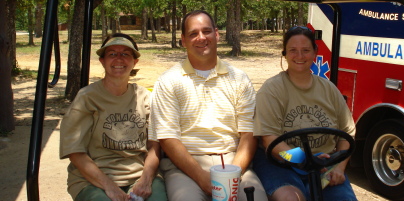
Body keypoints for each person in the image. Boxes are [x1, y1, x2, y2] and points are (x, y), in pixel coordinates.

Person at [149, 10, 267, 201]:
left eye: (206, 31)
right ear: (183, 40)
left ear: (217, 34)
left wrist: (233, 175)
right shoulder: (168, 81)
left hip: (234, 162)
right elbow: (168, 139)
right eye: (193, 34)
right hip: (186, 166)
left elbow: (248, 134)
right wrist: (203, 178)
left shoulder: (239, 78)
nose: (201, 38)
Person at [253, 26, 357, 201]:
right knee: (292, 198)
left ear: (315, 52)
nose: (299, 56)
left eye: (305, 50)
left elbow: (347, 132)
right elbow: (270, 141)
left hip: (324, 164)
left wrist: (338, 167)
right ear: (284, 53)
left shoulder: (329, 89)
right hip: (280, 163)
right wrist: (305, 159)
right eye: (293, 50)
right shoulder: (272, 90)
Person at [60, 33, 167, 201]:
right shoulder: (87, 98)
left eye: (125, 54)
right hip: (93, 180)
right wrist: (109, 187)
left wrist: (146, 180)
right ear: (102, 61)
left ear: (135, 61)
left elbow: (154, 146)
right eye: (112, 54)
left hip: (139, 176)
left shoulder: (144, 97)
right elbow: (75, 152)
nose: (119, 59)